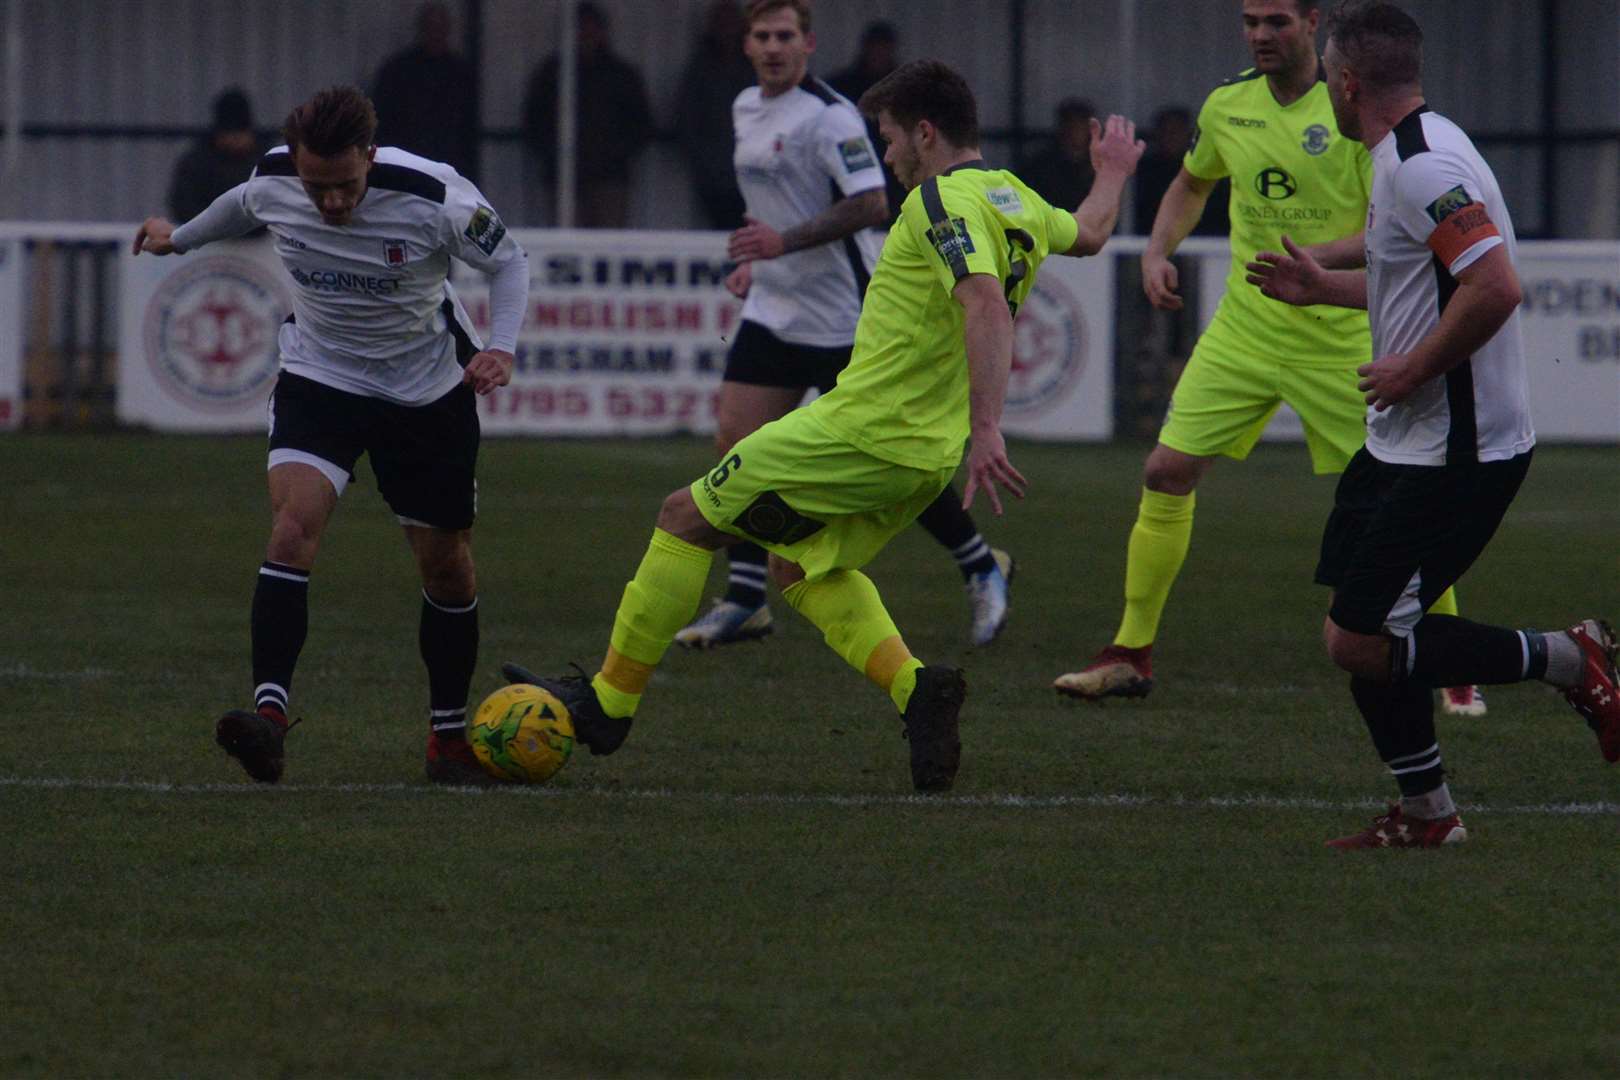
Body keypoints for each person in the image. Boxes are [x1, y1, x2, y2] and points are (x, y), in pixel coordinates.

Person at [504, 59, 1144, 791]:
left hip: (863, 433)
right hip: (922, 454)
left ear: (926, 132)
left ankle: (607, 708)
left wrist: (990, 426)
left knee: (682, 517)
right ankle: (917, 690)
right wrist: (1113, 170)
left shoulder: (939, 202)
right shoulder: (1016, 198)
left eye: (892, 139)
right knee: (798, 563)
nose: (889, 155)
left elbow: (985, 303)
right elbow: (1091, 232)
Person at [1245, 0, 1619, 848]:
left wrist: (1414, 368)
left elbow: (1495, 287)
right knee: (1357, 629)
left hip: (1458, 450)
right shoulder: (1406, 153)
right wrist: (1323, 289)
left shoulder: (1419, 165)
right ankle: (1427, 815)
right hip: (1406, 442)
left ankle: (1569, 658)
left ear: (1345, 82)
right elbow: (1425, 284)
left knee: (1362, 639)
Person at [1054, 0, 1482, 716]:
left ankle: (1449, 657)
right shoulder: (1227, 105)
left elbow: (1391, 224)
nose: (1261, 34)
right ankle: (1129, 652)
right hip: (1246, 330)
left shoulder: (1352, 109)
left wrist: (1314, 262)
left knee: (1400, 498)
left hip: (1341, 336)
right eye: (1251, 21)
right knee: (1165, 469)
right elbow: (1193, 182)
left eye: (1277, 20)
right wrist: (1160, 249)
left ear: (1313, 22)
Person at [132, 86, 529, 787]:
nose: (333, 203)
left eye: (346, 186)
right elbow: (239, 204)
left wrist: (501, 346)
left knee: (447, 568)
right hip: (323, 376)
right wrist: (179, 237)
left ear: (370, 158)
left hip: (426, 388)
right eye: (319, 189)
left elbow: (509, 261)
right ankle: (270, 719)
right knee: (291, 529)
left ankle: (446, 742)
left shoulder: (436, 196)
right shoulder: (279, 180)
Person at [676, 0, 1016, 652]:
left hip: (841, 316)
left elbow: (870, 202)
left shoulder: (832, 117)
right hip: (775, 309)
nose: (773, 47)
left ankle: (980, 563)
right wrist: (761, 263)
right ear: (746, 44)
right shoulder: (746, 105)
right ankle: (747, 597)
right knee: (734, 443)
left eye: (785, 35)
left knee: (891, 459)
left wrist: (783, 244)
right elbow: (770, 206)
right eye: (761, 35)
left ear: (808, 43)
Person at [522, 2, 653, 228]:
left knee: (610, 245)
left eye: (591, 29)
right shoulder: (552, 73)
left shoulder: (621, 75)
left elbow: (640, 123)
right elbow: (534, 121)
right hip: (563, 178)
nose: (586, 34)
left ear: (603, 32)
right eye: (581, 28)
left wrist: (613, 154)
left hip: (609, 178)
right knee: (566, 243)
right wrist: (555, 155)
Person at [371, 2, 480, 182]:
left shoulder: (460, 74)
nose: (435, 35)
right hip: (407, 161)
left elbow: (466, 124)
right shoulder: (399, 71)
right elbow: (384, 116)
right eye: (431, 28)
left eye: (439, 29)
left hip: (448, 163)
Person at [672, 0, 755, 229]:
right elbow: (686, 118)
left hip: (755, 173)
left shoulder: (758, 66)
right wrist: (704, 160)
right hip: (714, 177)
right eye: (721, 22)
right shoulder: (701, 67)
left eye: (731, 22)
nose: (726, 28)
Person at [828, 21, 905, 221]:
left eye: (884, 48)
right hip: (850, 177)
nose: (879, 54)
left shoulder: (906, 88)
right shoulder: (841, 87)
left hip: (895, 177)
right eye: (875, 48)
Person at [167, 88, 267, 225]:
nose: (235, 140)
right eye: (229, 133)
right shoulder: (197, 162)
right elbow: (183, 204)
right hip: (210, 242)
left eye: (240, 133)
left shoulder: (267, 161)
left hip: (261, 242)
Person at [1133, 107, 1228, 236]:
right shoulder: (1144, 170)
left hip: (1203, 241)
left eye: (1177, 131)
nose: (1172, 137)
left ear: (1190, 135)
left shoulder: (1205, 167)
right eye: (1166, 131)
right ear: (1157, 135)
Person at [1020, 98, 1098, 213]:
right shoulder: (1042, 165)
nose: (1075, 131)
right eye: (1071, 125)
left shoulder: (1098, 165)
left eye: (1080, 126)